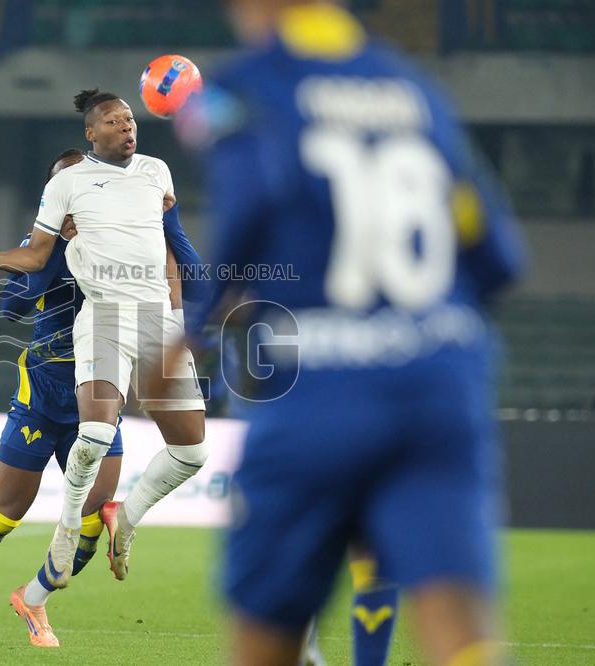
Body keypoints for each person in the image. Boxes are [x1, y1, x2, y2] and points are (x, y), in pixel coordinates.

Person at [172, 2, 526, 665]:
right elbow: (500, 260)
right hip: (438, 382)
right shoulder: (415, 89)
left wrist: (195, 325)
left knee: (267, 627)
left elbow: (248, 200)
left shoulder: (242, 86)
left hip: (317, 384)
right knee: (457, 613)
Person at [0, 146, 206, 648]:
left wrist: (168, 223)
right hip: (46, 393)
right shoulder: (42, 244)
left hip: (101, 391)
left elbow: (190, 281)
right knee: (7, 511)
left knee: (92, 521)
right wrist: (44, 258)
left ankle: (34, 598)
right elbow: (10, 310)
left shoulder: (132, 237)